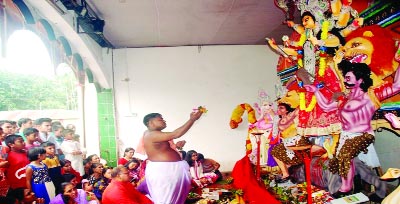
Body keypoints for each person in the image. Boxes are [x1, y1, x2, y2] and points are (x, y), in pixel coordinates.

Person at [305, 60, 400, 199]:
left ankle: (346, 188)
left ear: (360, 79)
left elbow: (397, 86)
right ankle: (379, 187)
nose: (345, 80)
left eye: (348, 78)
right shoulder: (345, 98)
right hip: (345, 136)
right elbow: (325, 106)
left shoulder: (371, 96)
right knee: (350, 163)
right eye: (345, 78)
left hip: (363, 135)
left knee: (345, 155)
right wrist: (316, 91)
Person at [143, 111, 202, 204]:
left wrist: (177, 147)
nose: (164, 121)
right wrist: (192, 119)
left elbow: (162, 151)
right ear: (150, 122)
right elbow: (176, 134)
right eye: (160, 119)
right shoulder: (151, 134)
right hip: (164, 171)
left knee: (174, 196)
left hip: (169, 169)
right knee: (166, 199)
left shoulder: (155, 134)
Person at [5, 134, 30, 202]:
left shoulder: (26, 153)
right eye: (20, 141)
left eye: (23, 141)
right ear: (11, 145)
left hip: (29, 183)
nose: (23, 143)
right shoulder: (8, 156)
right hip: (17, 187)